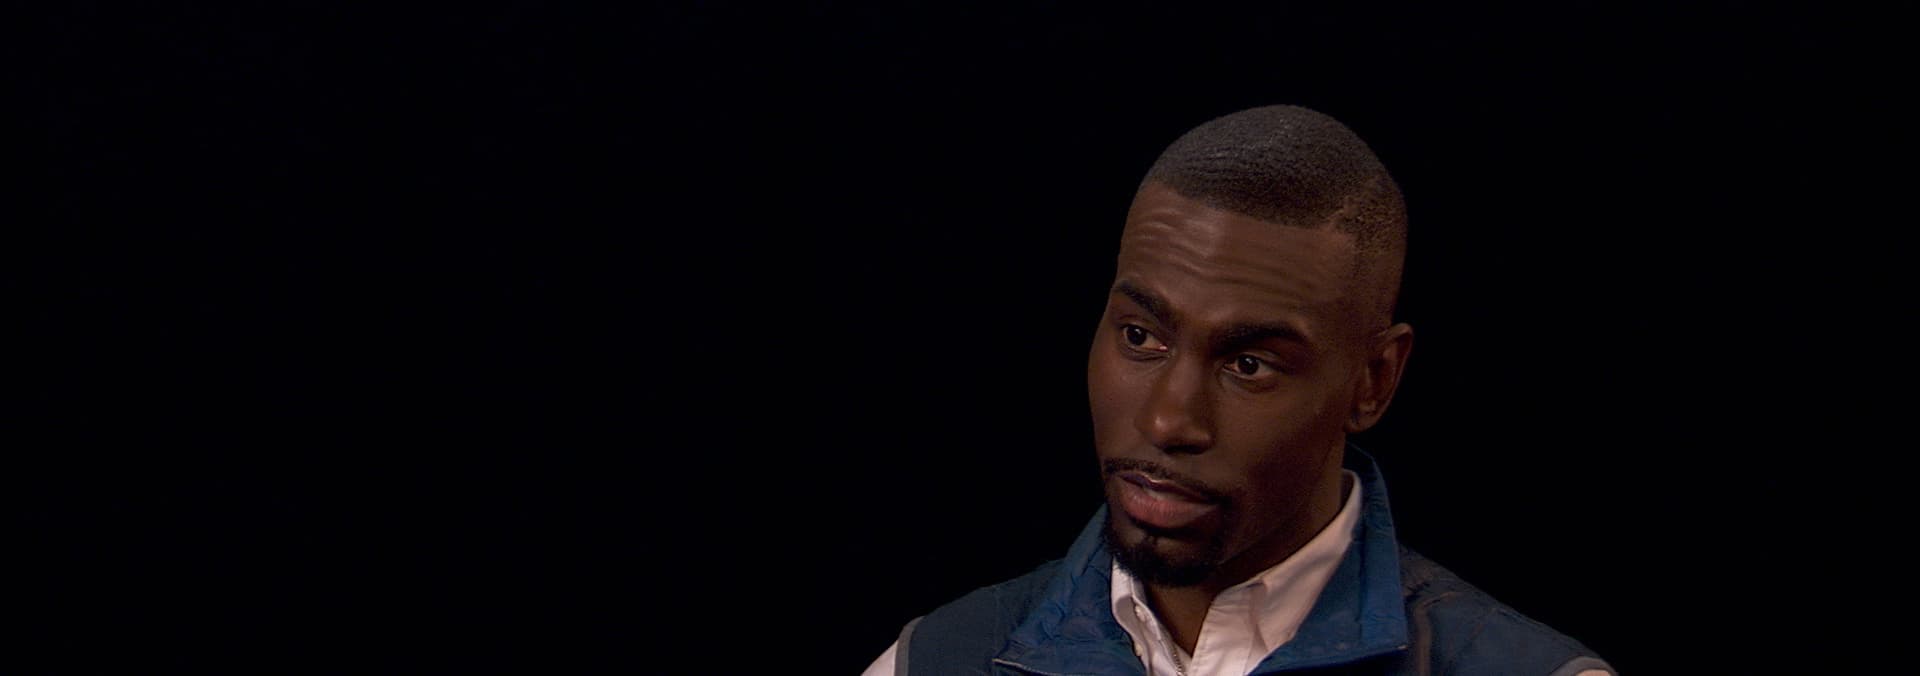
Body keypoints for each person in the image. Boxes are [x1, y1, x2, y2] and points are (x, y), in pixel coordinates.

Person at [861, 105, 1613, 676]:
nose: (1168, 420)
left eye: (1249, 364)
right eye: (1141, 336)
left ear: (1374, 381)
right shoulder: (936, 661)